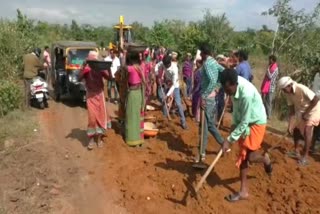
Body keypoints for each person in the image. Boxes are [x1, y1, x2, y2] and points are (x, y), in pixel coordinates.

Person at [220, 69, 272, 202]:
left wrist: (229, 140)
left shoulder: (246, 94)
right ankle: (243, 192)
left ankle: (265, 159)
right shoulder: (233, 88)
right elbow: (237, 111)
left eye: (227, 90)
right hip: (246, 120)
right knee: (244, 156)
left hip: (256, 121)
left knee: (250, 156)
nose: (226, 93)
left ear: (233, 84)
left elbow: (244, 122)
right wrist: (232, 126)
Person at [278, 76, 320, 165]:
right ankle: (296, 151)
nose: (283, 91)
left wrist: (306, 113)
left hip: (314, 110)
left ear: (289, 85)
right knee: (296, 129)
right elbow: (292, 110)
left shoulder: (301, 88)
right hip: (302, 111)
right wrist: (290, 125)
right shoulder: (288, 94)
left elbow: (316, 99)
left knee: (307, 130)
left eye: (284, 89)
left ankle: (305, 157)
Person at [197, 45, 225, 161]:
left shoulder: (208, 64)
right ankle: (223, 144)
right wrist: (218, 86)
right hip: (210, 97)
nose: (200, 56)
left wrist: (204, 96)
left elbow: (213, 79)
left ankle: (202, 153)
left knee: (205, 125)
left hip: (207, 98)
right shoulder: (213, 61)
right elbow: (222, 71)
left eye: (201, 54)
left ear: (204, 54)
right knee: (208, 124)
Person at [79, 51, 110, 150]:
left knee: (101, 117)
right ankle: (91, 139)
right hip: (91, 95)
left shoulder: (101, 70)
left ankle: (99, 139)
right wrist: (82, 67)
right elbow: (79, 78)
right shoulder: (87, 70)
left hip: (99, 94)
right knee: (92, 118)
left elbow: (110, 78)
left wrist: (108, 67)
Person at [160, 55, 188, 129]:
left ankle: (183, 122)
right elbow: (158, 66)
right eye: (164, 65)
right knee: (164, 102)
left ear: (170, 63)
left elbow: (174, 85)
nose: (165, 66)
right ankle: (165, 119)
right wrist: (157, 74)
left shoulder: (175, 69)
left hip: (175, 87)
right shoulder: (163, 63)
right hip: (167, 84)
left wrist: (168, 95)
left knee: (178, 104)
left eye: (167, 65)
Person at [125, 52, 145, 146]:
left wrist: (125, 55)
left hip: (132, 94)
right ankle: (140, 140)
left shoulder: (130, 68)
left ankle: (133, 140)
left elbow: (122, 70)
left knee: (131, 116)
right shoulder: (141, 68)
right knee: (138, 116)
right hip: (139, 94)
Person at [261, 55, 279, 119]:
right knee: (265, 101)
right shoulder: (271, 67)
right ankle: (265, 114)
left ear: (273, 60)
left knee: (269, 101)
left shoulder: (275, 68)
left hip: (271, 87)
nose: (269, 61)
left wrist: (268, 70)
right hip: (267, 87)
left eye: (270, 59)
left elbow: (270, 77)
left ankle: (269, 115)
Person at [192, 59, 203, 123]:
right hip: (196, 88)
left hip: (199, 89)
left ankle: (197, 118)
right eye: (196, 63)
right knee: (194, 102)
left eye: (197, 63)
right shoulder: (196, 70)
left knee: (198, 104)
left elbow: (200, 82)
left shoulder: (201, 71)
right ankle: (194, 115)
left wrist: (196, 89)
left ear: (200, 63)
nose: (196, 64)